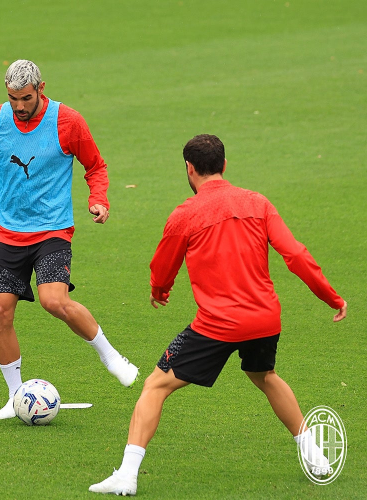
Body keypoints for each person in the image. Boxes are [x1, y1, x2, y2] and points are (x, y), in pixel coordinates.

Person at [89, 134, 347, 495]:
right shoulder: (258, 202)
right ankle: (314, 454)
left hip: (218, 324)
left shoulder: (185, 214)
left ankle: (127, 475)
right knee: (264, 375)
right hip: (264, 319)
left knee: (156, 385)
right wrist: (332, 298)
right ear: (224, 165)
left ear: (189, 169)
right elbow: (296, 255)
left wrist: (159, 291)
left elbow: (162, 267)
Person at [0, 60, 139, 420]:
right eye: (13, 98)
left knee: (54, 301)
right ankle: (15, 395)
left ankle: (111, 356)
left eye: (26, 98)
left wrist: (99, 199)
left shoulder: (68, 121)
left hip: (52, 230)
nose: (19, 106)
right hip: (7, 232)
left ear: (40, 89)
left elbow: (95, 166)